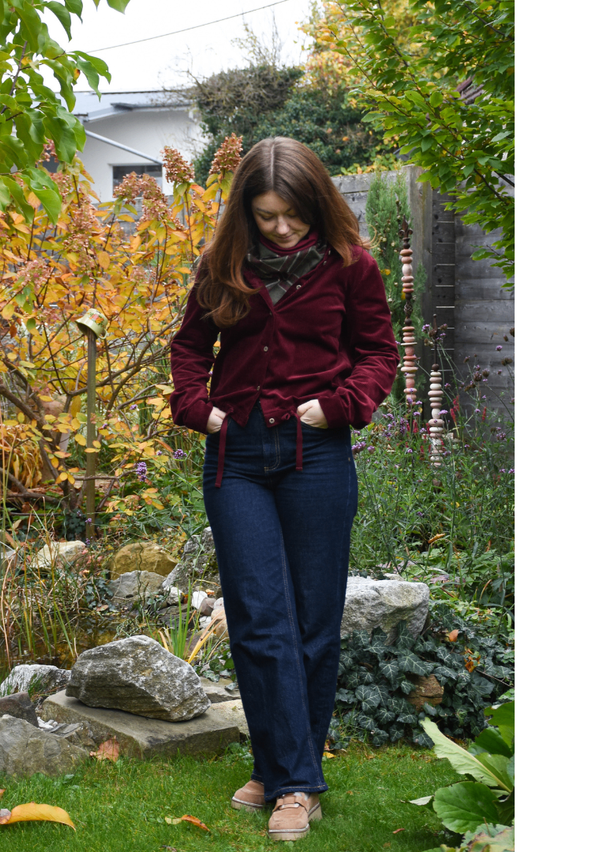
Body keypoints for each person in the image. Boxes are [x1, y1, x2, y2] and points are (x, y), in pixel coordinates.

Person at [169, 137, 399, 842]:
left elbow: (379, 354)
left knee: (312, 622)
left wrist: (341, 404)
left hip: (315, 455)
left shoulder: (351, 267)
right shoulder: (222, 265)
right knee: (258, 617)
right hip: (236, 457)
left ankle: (279, 773)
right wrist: (197, 408)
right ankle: (296, 785)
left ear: (316, 204)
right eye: (267, 215)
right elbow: (189, 347)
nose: (281, 228)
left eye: (293, 215)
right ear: (247, 210)